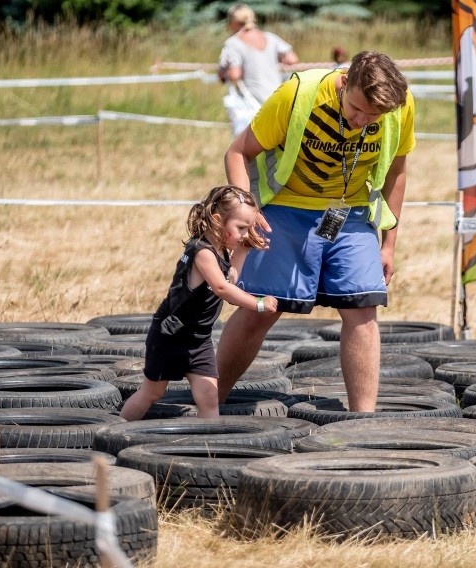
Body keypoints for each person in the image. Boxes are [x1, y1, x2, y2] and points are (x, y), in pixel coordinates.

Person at [217, 50, 415, 412]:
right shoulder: (297, 95)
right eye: (356, 109)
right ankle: (209, 401)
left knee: (363, 308)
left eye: (374, 116)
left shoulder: (399, 106)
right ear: (345, 83)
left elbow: (396, 173)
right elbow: (237, 152)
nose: (362, 122)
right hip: (283, 208)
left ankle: (363, 422)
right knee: (261, 309)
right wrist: (246, 214)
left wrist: (389, 245)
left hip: (349, 212)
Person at [119, 186, 278, 421]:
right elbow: (222, 288)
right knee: (152, 392)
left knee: (209, 397)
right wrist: (258, 304)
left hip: (198, 338)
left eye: (248, 228)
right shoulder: (202, 251)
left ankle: (209, 446)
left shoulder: (221, 251)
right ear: (217, 220)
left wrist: (243, 250)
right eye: (241, 228)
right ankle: (117, 430)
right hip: (171, 334)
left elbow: (230, 277)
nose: (246, 233)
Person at [218, 3, 299, 135]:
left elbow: (234, 74)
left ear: (233, 22)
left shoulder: (233, 43)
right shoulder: (269, 37)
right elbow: (292, 59)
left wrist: (222, 72)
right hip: (276, 98)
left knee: (251, 149)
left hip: (252, 104)